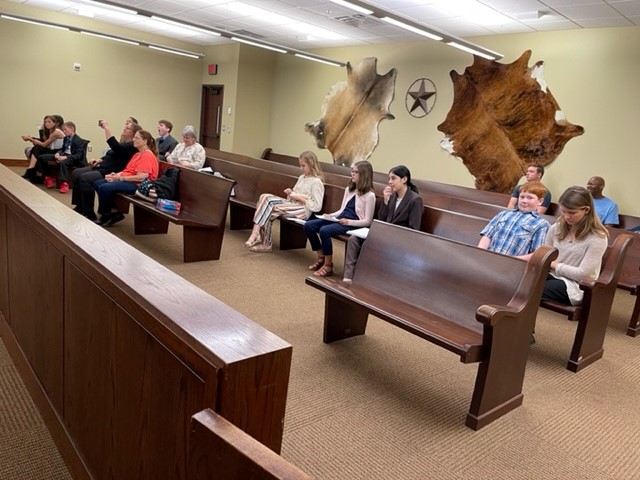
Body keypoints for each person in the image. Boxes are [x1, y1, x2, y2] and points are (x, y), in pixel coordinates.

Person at [343, 165, 423, 283]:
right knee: (353, 239)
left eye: (393, 178)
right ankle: (348, 277)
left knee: (370, 245)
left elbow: (414, 229)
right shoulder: (392, 196)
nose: (390, 182)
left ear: (404, 180)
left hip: (400, 239)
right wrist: (385, 201)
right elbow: (381, 219)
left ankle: (364, 278)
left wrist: (391, 233)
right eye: (389, 178)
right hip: (385, 234)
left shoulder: (415, 200)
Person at [304, 160, 376, 277]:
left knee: (324, 230)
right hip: (341, 219)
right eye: (352, 171)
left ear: (364, 175)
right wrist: (331, 215)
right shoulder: (349, 189)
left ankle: (328, 266)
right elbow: (342, 210)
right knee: (309, 225)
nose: (352, 174)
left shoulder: (370, 196)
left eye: (356, 172)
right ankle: (321, 255)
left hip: (353, 223)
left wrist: (349, 221)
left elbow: (367, 221)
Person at [245, 151, 324, 252]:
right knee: (264, 198)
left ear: (311, 164)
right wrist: (290, 193)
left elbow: (317, 206)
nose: (301, 168)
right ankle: (264, 242)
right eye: (300, 165)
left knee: (268, 206)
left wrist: (298, 197)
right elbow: (293, 195)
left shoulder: (316, 182)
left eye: (303, 166)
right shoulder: (301, 178)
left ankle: (256, 235)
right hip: (292, 205)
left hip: (303, 210)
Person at [542, 186, 608, 306]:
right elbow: (545, 256)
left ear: (586, 210)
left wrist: (554, 265)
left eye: (572, 212)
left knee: (534, 291)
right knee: (521, 283)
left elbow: (582, 274)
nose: (566, 216)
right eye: (563, 211)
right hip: (552, 274)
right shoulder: (555, 228)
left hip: (574, 285)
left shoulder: (597, 237)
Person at [70, 119, 141, 220]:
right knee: (76, 173)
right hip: (103, 166)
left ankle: (89, 212)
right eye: (125, 126)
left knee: (85, 178)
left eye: (128, 128)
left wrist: (106, 129)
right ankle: (80, 206)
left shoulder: (132, 146)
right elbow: (111, 154)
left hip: (111, 171)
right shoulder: (124, 142)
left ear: (134, 134)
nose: (124, 128)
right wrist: (99, 159)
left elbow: (116, 148)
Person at [93, 129, 159, 227]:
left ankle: (106, 215)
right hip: (129, 180)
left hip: (139, 186)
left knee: (104, 187)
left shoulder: (147, 156)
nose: (133, 140)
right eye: (134, 137)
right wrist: (115, 175)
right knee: (98, 183)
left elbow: (141, 178)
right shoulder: (137, 154)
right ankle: (114, 212)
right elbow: (127, 170)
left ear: (145, 141)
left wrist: (120, 179)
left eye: (137, 138)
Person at [478, 181, 550, 260]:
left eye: (530, 198)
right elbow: (487, 235)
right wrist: (481, 253)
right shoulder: (503, 214)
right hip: (488, 258)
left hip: (513, 264)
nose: (524, 201)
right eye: (522, 197)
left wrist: (513, 261)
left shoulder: (541, 224)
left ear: (540, 201)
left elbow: (536, 253)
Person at [40, 121, 86, 193]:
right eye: (63, 130)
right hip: (64, 155)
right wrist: (58, 153)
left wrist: (66, 157)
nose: (64, 132)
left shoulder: (78, 140)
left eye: (65, 130)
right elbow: (63, 149)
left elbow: (79, 155)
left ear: (72, 129)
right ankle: (49, 177)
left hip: (73, 158)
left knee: (63, 162)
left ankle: (64, 183)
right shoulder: (66, 138)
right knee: (42, 157)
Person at [21, 114, 65, 182]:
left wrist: (31, 139)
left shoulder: (56, 132)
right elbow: (45, 143)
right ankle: (33, 171)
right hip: (52, 150)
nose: (47, 124)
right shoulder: (50, 131)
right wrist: (32, 139)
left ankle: (32, 171)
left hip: (59, 152)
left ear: (54, 123)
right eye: (45, 122)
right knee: (36, 148)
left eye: (49, 122)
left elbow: (44, 144)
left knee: (37, 148)